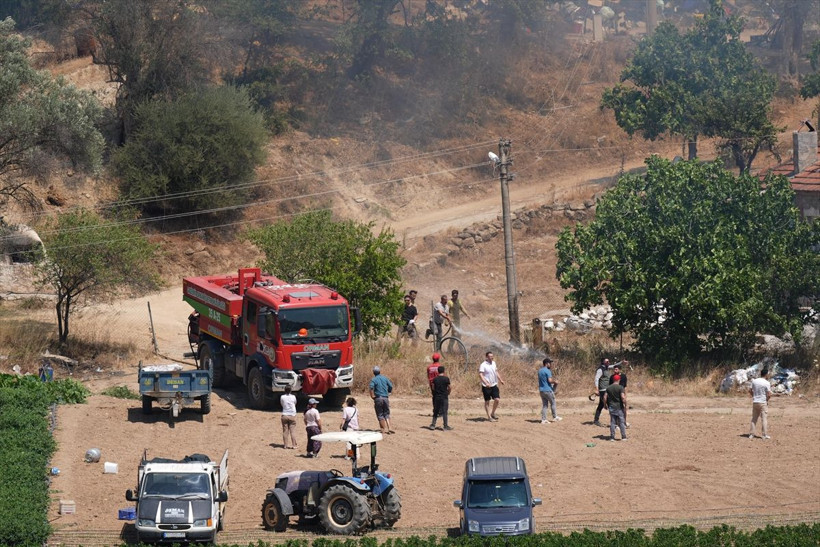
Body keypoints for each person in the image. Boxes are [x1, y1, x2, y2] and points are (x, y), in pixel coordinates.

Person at [478, 351, 504, 421]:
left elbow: (496, 372)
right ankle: (489, 417)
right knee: (487, 401)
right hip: (486, 386)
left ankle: (492, 413)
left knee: (497, 399)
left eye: (492, 356)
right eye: (489, 356)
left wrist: (501, 379)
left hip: (494, 384)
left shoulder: (494, 363)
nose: (491, 358)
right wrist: (486, 382)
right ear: (486, 357)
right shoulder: (483, 364)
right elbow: (481, 374)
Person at [369, 366, 394, 434]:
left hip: (378, 398)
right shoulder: (385, 378)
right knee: (386, 413)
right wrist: (389, 392)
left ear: (373, 372)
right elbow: (391, 386)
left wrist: (372, 396)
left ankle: (383, 429)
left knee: (380, 414)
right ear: (380, 371)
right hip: (385, 398)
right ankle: (390, 427)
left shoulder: (374, 379)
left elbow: (371, 388)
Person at [748, 367, 772, 439]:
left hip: (755, 401)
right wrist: (767, 400)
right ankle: (764, 435)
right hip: (763, 402)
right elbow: (769, 394)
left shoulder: (754, 381)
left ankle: (751, 434)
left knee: (754, 418)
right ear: (766, 374)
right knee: (764, 419)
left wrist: (754, 396)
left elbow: (750, 390)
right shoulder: (767, 383)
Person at [538, 357, 561, 424]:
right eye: (550, 363)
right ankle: (555, 417)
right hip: (548, 390)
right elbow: (550, 380)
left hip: (541, 390)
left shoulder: (540, 371)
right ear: (546, 364)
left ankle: (543, 419)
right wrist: (555, 382)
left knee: (545, 405)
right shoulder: (548, 371)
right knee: (553, 402)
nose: (550, 364)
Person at [428, 365, 452, 430]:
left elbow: (433, 387)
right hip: (444, 397)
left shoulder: (435, 379)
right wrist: (448, 393)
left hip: (437, 397)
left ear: (438, 371)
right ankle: (445, 426)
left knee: (436, 411)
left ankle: (433, 425)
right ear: (443, 371)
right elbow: (449, 387)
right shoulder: (446, 379)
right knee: (444, 411)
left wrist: (435, 392)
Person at [591, 358, 613, 427]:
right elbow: (596, 379)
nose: (608, 362)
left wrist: (621, 362)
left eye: (609, 361)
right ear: (603, 362)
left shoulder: (606, 368)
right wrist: (597, 389)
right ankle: (614, 421)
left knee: (601, 404)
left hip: (607, 389)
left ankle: (596, 420)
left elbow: (614, 365)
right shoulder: (600, 369)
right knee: (609, 404)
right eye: (607, 361)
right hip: (603, 390)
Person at [609, 362, 630, 428]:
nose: (615, 370)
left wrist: (625, 395)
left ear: (619, 370)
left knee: (624, 409)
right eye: (614, 369)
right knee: (616, 410)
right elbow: (610, 387)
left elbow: (625, 386)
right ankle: (616, 423)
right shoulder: (612, 377)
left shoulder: (623, 376)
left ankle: (624, 422)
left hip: (622, 394)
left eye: (616, 369)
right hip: (615, 396)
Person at [280, 385, 298, 450]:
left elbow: (282, 404)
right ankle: (294, 445)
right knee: (292, 431)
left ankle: (285, 445)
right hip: (292, 414)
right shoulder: (293, 397)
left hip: (284, 414)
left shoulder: (282, 397)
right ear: (291, 390)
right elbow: (295, 403)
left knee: (285, 431)